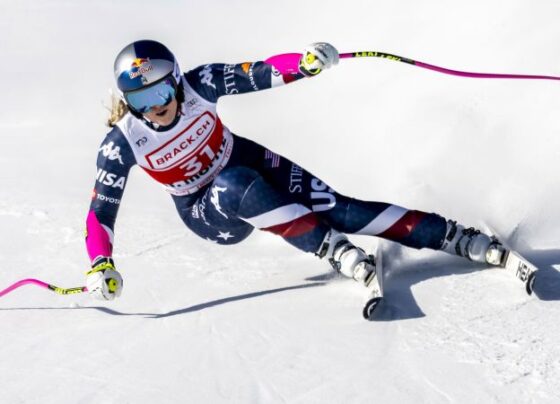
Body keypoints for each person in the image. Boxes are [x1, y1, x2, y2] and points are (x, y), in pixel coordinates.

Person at [85, 40, 506, 300]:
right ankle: (332, 249)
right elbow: (100, 212)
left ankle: (455, 237)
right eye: (140, 101)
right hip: (207, 212)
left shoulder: (201, 84)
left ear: (175, 80)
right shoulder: (122, 144)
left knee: (341, 208)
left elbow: (257, 73)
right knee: (232, 186)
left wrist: (303, 64)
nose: (155, 107)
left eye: (159, 91)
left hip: (243, 157)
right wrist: (100, 263)